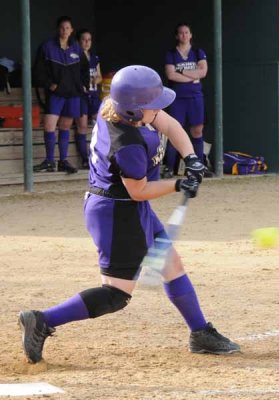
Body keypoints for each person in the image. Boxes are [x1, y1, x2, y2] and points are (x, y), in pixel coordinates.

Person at [18, 65, 240, 364]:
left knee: (170, 262)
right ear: (135, 111)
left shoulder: (116, 107)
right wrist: (178, 184)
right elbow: (139, 190)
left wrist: (192, 159)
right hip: (117, 214)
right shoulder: (127, 144)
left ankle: (200, 332)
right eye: (152, 105)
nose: (158, 109)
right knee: (116, 295)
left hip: (126, 207)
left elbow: (167, 122)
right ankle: (43, 320)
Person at [33, 16, 90, 173]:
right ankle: (50, 161)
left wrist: (83, 85)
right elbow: (38, 71)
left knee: (65, 126)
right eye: (62, 28)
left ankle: (63, 161)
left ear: (72, 30)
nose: (65, 31)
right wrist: (49, 84)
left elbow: (85, 69)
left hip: (72, 94)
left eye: (67, 28)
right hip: (56, 94)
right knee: (49, 125)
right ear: (57, 29)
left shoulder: (77, 48)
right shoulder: (47, 47)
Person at [163, 22, 212, 178]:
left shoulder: (198, 52)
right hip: (178, 98)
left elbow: (203, 72)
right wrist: (192, 76)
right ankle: (169, 167)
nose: (184, 35)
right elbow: (171, 75)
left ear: (191, 35)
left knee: (197, 130)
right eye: (181, 33)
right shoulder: (171, 54)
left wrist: (182, 70)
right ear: (177, 36)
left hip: (195, 97)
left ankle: (199, 167)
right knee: (175, 130)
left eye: (187, 32)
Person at [75, 29, 103, 169]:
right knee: (83, 127)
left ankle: (100, 157)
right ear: (78, 41)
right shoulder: (75, 57)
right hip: (81, 96)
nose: (86, 42)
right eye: (84, 39)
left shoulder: (94, 57)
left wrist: (92, 81)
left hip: (94, 95)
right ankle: (85, 158)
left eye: (89, 39)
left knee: (101, 125)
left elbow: (99, 76)